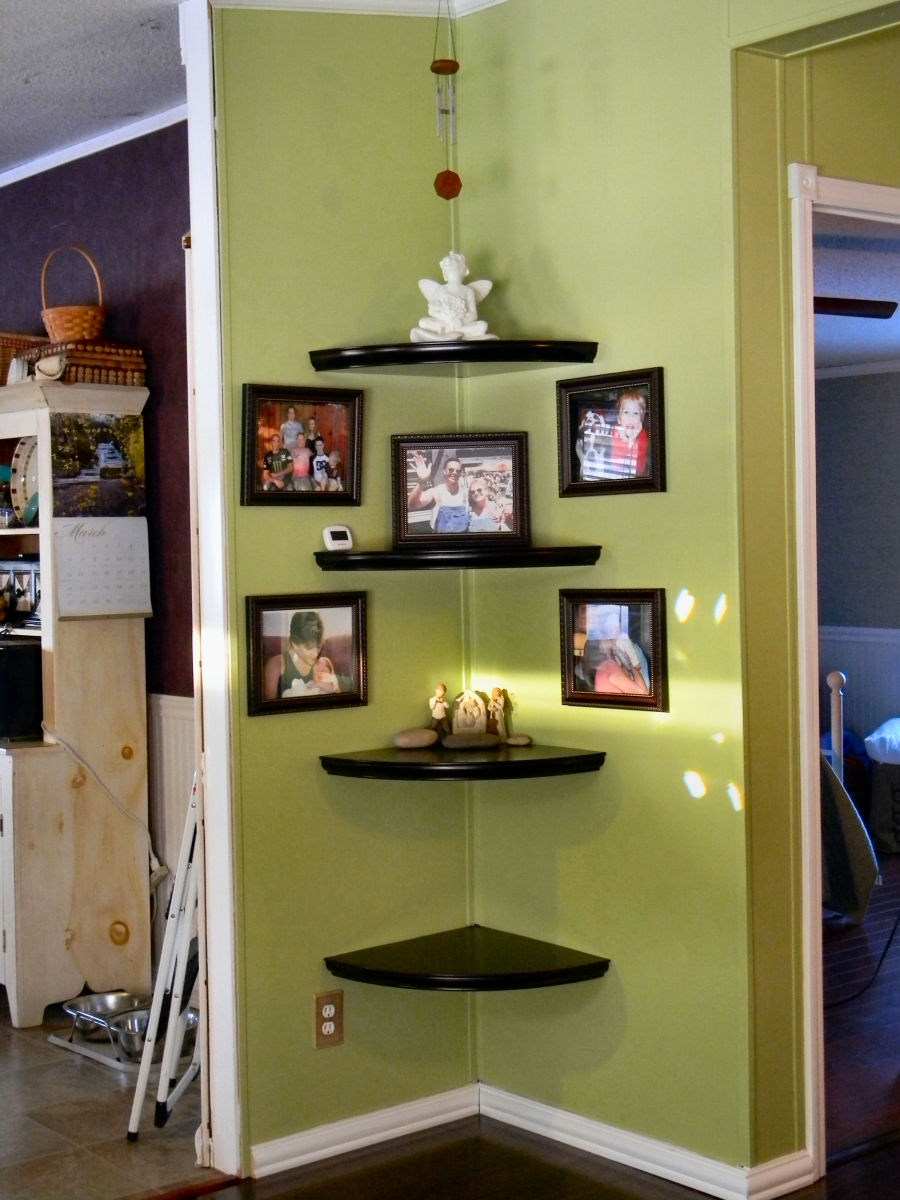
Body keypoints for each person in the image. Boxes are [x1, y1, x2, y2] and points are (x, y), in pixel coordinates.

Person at [410, 251, 496, 342]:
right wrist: (444, 317)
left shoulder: (468, 291)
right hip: (444, 323)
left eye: (455, 268)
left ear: (463, 271)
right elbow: (432, 311)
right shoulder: (440, 289)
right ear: (444, 274)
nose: (452, 271)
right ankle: (452, 333)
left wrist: (461, 321)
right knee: (423, 322)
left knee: (483, 325)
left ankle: (451, 334)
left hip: (461, 325)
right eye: (448, 269)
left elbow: (473, 314)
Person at [264, 611, 349, 699]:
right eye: (309, 648)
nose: (316, 654)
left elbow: (338, 697)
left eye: (318, 647)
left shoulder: (324, 663)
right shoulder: (276, 665)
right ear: (294, 644)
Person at [407, 452, 469, 533]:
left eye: (458, 471)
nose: (454, 473)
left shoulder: (466, 492)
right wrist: (422, 481)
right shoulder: (436, 492)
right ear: (444, 471)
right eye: (451, 470)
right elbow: (411, 505)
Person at [606, 390, 649, 478]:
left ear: (641, 419)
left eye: (636, 413)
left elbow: (639, 471)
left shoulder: (642, 434)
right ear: (619, 419)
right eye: (626, 412)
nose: (631, 417)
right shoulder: (615, 431)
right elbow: (616, 467)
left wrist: (632, 440)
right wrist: (624, 441)